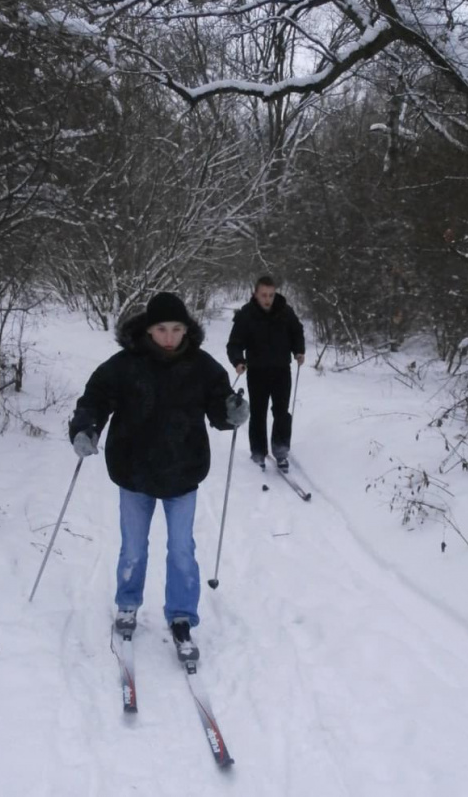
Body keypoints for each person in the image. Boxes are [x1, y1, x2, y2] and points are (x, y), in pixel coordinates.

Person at [68, 292, 249, 659]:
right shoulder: (123, 365)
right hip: (134, 472)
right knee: (134, 547)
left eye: (177, 329)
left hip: (182, 473)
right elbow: (96, 399)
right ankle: (128, 604)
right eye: (162, 329)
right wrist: (86, 427)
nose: (170, 337)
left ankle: (181, 615)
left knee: (182, 549)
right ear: (149, 330)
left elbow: (219, 407)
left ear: (187, 330)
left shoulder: (203, 367)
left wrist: (232, 411)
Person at [226, 275, 305, 472]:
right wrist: (238, 361)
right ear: (256, 294)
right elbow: (235, 342)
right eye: (264, 295)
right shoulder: (247, 314)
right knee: (259, 414)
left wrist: (299, 351)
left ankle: (280, 451)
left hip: (281, 371)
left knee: (281, 412)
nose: (268, 299)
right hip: (257, 372)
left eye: (271, 295)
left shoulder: (285, 312)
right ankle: (258, 452)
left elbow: (297, 332)